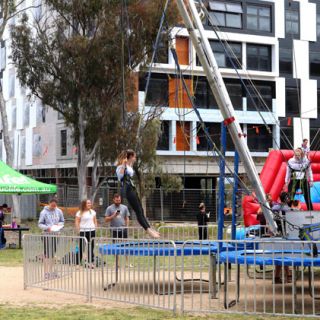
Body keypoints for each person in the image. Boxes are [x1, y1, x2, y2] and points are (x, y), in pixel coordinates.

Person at [116, 149, 160, 239]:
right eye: (134, 156)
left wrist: (127, 163)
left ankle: (150, 228)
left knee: (141, 210)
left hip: (133, 189)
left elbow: (130, 171)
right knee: (138, 212)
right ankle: (148, 231)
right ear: (131, 157)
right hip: (128, 190)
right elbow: (120, 177)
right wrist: (124, 164)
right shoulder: (120, 167)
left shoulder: (129, 166)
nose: (135, 158)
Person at [38, 199, 64, 280]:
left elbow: (62, 221)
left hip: (56, 234)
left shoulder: (59, 211)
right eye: (52, 205)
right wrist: (47, 228)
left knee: (52, 254)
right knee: (47, 254)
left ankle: (51, 272)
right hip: (46, 235)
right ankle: (46, 273)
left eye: (55, 206)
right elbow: (40, 224)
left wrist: (58, 225)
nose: (53, 207)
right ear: (49, 204)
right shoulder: (43, 212)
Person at [105, 193, 132, 267]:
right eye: (117, 200)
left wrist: (127, 227)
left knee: (126, 246)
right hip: (114, 229)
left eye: (119, 200)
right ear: (113, 200)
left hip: (123, 229)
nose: (118, 201)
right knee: (115, 246)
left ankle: (128, 262)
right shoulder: (109, 208)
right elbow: (106, 219)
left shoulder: (124, 207)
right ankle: (117, 263)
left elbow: (127, 218)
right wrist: (113, 215)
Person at [272, 192, 292, 284]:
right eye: (288, 198)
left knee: (282, 255)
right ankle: (285, 276)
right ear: (286, 198)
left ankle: (282, 276)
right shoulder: (286, 208)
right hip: (284, 234)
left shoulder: (275, 207)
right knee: (283, 255)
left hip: (279, 233)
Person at [75, 199, 97, 268]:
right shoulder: (79, 212)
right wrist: (78, 230)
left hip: (92, 231)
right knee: (81, 248)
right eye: (88, 203)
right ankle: (78, 263)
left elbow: (95, 220)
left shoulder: (93, 212)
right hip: (83, 231)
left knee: (91, 247)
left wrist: (95, 227)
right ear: (84, 204)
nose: (89, 204)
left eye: (90, 203)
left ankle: (90, 262)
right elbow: (77, 222)